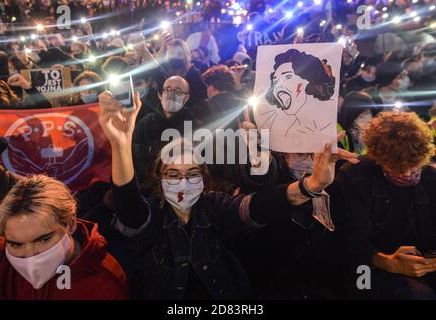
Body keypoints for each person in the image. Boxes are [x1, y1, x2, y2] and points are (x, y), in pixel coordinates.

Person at [97, 89, 358, 299]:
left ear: (204, 180)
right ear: (159, 181)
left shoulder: (214, 208)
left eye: (192, 174)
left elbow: (256, 207)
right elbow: (129, 207)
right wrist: (120, 143)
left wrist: (310, 186)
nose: (183, 183)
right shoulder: (153, 217)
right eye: (173, 175)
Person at [335, 111, 436, 299]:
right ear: (378, 159)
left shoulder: (431, 178)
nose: (406, 174)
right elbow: (351, 241)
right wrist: (387, 262)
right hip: (365, 266)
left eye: (414, 168)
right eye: (396, 169)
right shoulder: (355, 176)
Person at [0, 175, 127, 299]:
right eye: (16, 245)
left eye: (43, 240)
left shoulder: (103, 284)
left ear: (70, 224)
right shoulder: (0, 256)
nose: (31, 256)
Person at [132, 75, 196, 187]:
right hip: (147, 186)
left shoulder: (194, 126)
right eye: (168, 89)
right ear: (160, 95)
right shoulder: (146, 123)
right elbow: (135, 155)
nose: (171, 94)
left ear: (186, 98)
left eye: (178, 90)